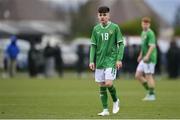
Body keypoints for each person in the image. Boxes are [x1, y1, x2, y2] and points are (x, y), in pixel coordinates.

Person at [89, 6, 124, 116]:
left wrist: (119, 59)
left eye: (104, 15)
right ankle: (105, 110)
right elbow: (93, 46)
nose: (102, 17)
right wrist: (91, 61)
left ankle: (115, 100)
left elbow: (121, 44)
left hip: (111, 60)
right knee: (101, 86)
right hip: (100, 61)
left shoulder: (115, 27)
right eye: (100, 15)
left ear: (109, 16)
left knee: (108, 83)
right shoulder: (96, 29)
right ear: (98, 16)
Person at [135, 17, 157, 101]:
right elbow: (143, 46)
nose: (145, 25)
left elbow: (152, 46)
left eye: (147, 24)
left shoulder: (150, 33)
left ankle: (152, 95)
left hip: (150, 59)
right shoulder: (142, 33)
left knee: (148, 76)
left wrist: (147, 56)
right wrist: (140, 55)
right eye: (144, 23)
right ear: (141, 24)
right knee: (138, 75)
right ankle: (150, 91)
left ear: (149, 25)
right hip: (144, 58)